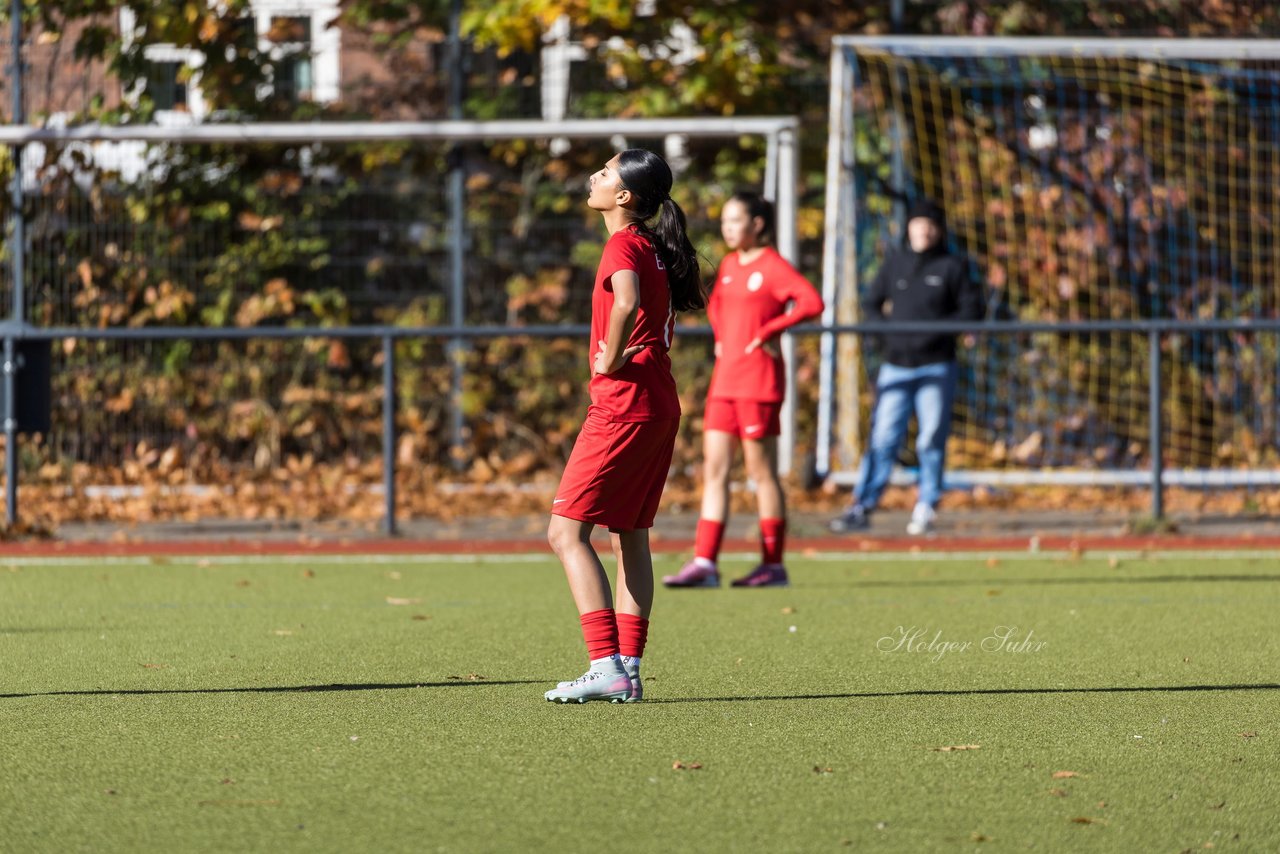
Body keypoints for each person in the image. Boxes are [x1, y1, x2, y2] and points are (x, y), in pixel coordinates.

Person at [543, 149, 706, 704]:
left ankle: (604, 664)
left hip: (623, 405)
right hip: (658, 404)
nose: (595, 176)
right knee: (629, 535)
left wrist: (609, 358)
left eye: (606, 172)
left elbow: (628, 302)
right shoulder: (652, 246)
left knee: (565, 533)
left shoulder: (621, 243)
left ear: (624, 197)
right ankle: (628, 670)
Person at [662, 192, 824, 589]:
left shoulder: (772, 266)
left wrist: (769, 331)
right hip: (726, 381)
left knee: (760, 473)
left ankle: (773, 564)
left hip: (759, 381)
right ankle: (705, 563)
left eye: (736, 220)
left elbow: (811, 302)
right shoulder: (731, 264)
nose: (728, 228)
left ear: (757, 224)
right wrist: (721, 336)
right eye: (725, 221)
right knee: (714, 470)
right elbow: (716, 306)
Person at [828, 198, 983, 536]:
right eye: (918, 223)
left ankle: (927, 505)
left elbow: (972, 308)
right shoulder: (895, 263)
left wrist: (948, 331)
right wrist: (884, 333)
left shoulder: (952, 267)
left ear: (938, 230)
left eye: (930, 224)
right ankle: (862, 505)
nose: (924, 229)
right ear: (909, 227)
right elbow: (871, 302)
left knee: (930, 439)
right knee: (883, 438)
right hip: (896, 366)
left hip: (937, 366)